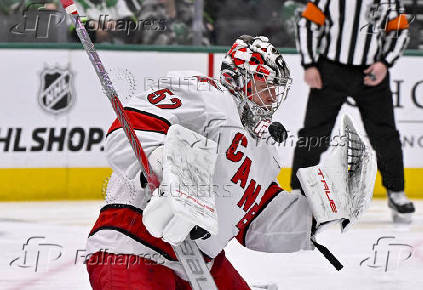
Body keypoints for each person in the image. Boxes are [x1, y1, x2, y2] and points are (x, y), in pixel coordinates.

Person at [84, 35, 375, 289]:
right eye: (264, 84)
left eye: (276, 88)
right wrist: (167, 170)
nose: (272, 96)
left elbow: (256, 223)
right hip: (132, 242)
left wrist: (318, 214)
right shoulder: (204, 94)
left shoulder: (263, 152)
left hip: (200, 262)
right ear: (238, 77)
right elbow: (131, 128)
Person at [293, 0, 415, 223]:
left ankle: (396, 191)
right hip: (331, 69)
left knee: (385, 134)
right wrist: (309, 63)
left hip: (371, 72)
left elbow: (399, 30)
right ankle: (297, 191)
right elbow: (307, 23)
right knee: (313, 133)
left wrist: (385, 63)